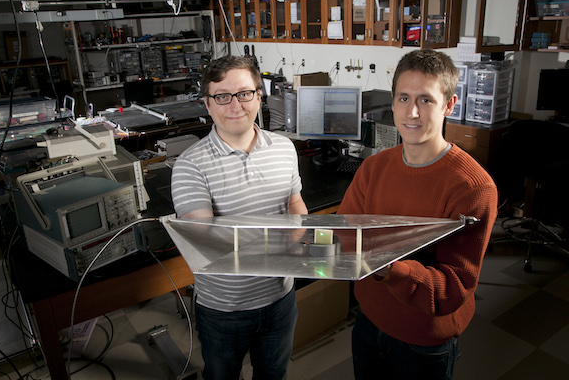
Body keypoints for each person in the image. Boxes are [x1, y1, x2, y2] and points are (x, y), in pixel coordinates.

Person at [338, 49, 498, 380]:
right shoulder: (373, 167)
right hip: (369, 320)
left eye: (425, 99)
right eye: (404, 98)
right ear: (393, 102)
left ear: (449, 105)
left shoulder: (473, 188)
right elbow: (344, 232)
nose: (412, 112)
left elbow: (454, 287)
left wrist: (390, 267)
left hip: (423, 341)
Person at [171, 55, 308, 380]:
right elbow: (209, 242)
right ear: (207, 103)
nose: (235, 105)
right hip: (225, 310)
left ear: (259, 96)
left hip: (280, 299)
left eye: (245, 94)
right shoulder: (190, 166)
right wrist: (284, 243)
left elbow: (295, 203)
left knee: (273, 375)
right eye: (222, 96)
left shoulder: (285, 148)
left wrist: (304, 235)